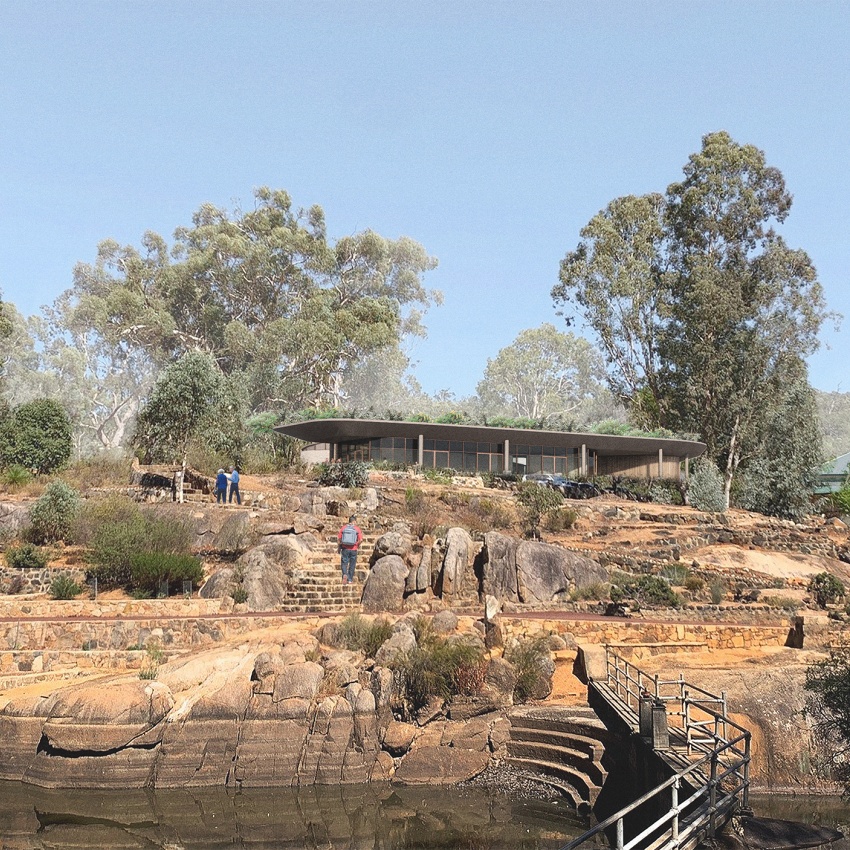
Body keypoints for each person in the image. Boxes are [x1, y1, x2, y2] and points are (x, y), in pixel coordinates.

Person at [337, 515, 363, 585]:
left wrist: (339, 548)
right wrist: (357, 544)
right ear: (354, 521)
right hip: (353, 549)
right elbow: (361, 540)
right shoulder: (357, 529)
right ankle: (350, 579)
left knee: (344, 563)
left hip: (345, 548)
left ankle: (345, 574)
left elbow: (339, 539)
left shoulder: (343, 528)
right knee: (352, 564)